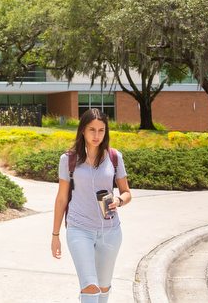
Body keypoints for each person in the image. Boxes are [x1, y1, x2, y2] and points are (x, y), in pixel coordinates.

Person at [51, 108, 132, 302]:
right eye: (92, 130)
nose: (96, 135)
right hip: (80, 229)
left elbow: (127, 192)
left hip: (110, 231)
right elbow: (62, 198)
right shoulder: (68, 159)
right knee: (90, 287)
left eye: (101, 130)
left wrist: (119, 200)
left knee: (103, 289)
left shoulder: (114, 157)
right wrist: (55, 236)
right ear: (83, 131)